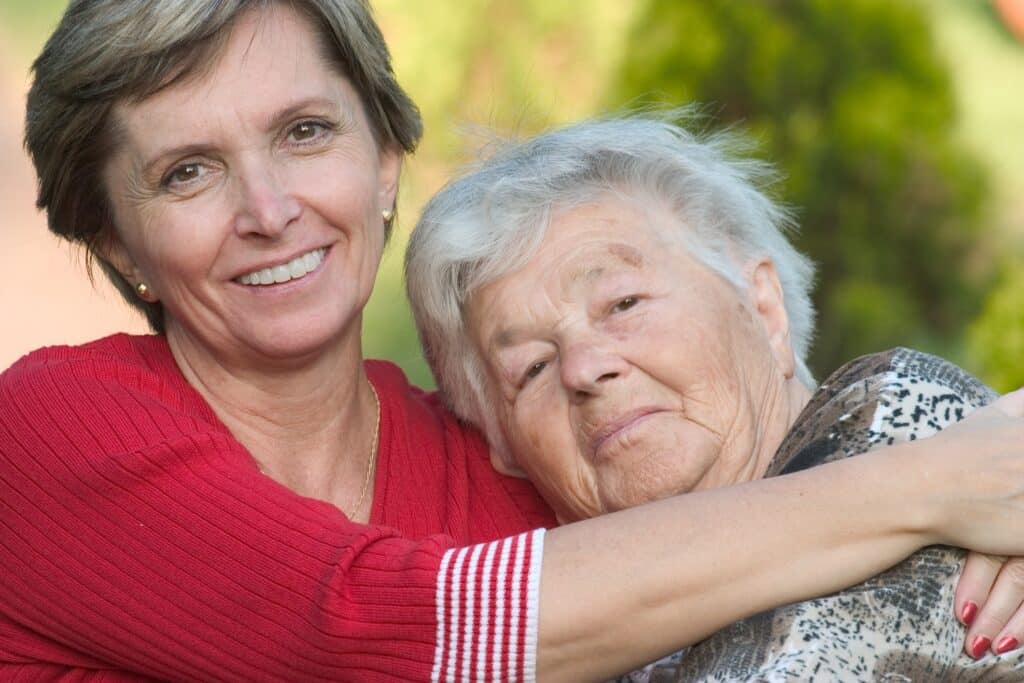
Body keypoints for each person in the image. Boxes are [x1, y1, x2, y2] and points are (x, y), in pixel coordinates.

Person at [2, 2, 1024, 681]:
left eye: (305, 132)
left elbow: (729, 512)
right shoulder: (51, 432)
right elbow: (364, 624)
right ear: (117, 242)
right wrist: (930, 484)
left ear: (387, 160)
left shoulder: (516, 467)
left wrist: (973, 521)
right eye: (187, 171)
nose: (269, 208)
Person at [405, 114, 1024, 678]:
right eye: (532, 367)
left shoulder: (908, 420)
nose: (584, 369)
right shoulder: (567, 642)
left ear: (764, 305)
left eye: (623, 303)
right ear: (506, 448)